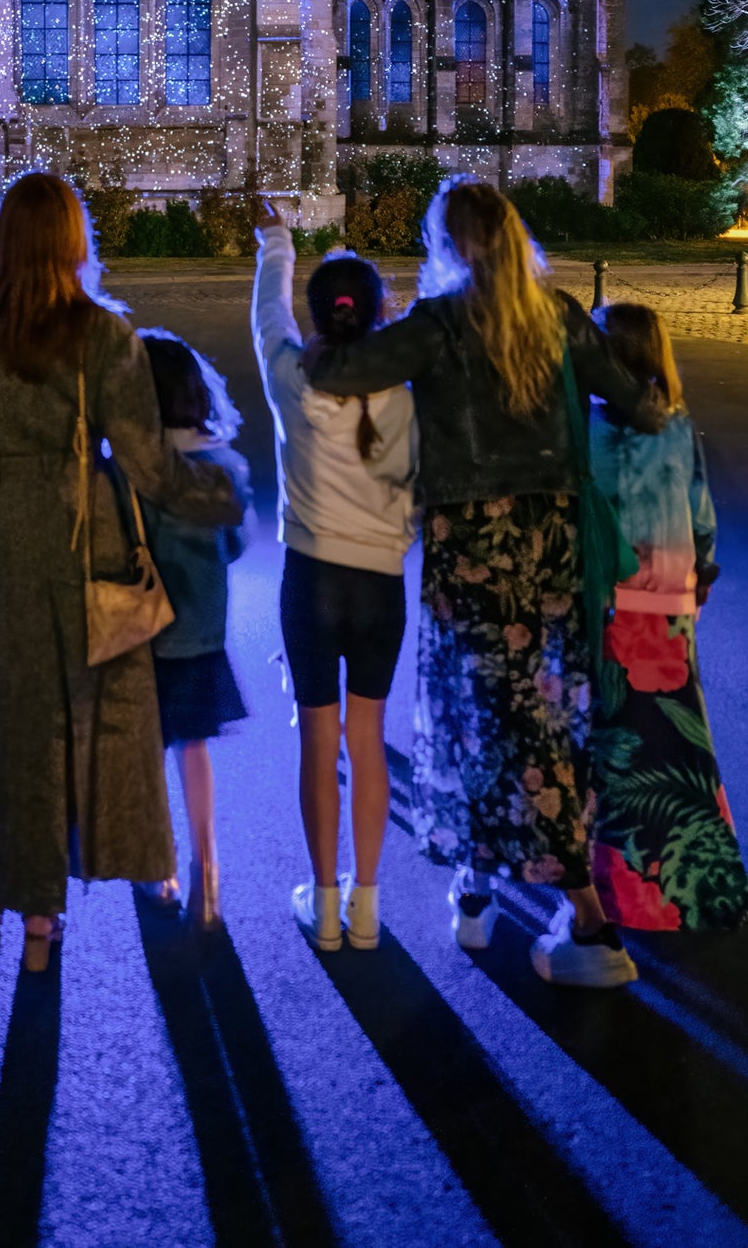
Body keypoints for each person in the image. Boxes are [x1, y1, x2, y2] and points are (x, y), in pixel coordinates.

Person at [304, 177, 664, 988]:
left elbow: (342, 371)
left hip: (471, 543)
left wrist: (316, 332)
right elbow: (632, 402)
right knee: (538, 709)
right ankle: (481, 887)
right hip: (549, 541)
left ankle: (585, 916)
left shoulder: (438, 325)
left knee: (484, 714)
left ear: (450, 244)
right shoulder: (559, 314)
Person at [0, 173, 240, 971]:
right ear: (76, 241)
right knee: (75, 726)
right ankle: (42, 918)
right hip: (81, 536)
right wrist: (220, 492)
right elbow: (146, 463)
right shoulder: (104, 334)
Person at [252, 207, 417, 952]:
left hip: (310, 577)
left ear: (320, 313)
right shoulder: (401, 394)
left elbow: (267, 317)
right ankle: (368, 903)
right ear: (376, 311)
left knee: (317, 742)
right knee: (368, 738)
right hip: (380, 582)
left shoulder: (291, 379)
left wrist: (276, 242)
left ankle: (321, 904)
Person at [588, 302, 748, 931]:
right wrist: (703, 573)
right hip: (670, 600)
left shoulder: (587, 425)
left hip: (610, 600)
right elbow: (700, 508)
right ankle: (690, 875)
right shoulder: (677, 423)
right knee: (679, 742)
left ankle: (614, 883)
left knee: (613, 742)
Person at [135, 330, 252, 929]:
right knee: (195, 749)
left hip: (145, 635)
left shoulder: (141, 467)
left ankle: (162, 870)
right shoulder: (221, 463)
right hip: (204, 636)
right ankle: (208, 865)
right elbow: (233, 546)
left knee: (148, 753)